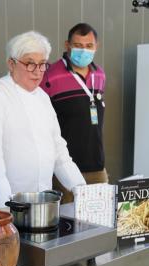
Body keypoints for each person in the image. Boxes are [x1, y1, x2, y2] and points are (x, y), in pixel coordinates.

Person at [0, 31, 86, 210]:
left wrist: (82, 190)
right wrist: (7, 206)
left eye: (42, 65)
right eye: (30, 64)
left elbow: (59, 153)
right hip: (1, 209)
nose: (38, 72)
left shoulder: (43, 98)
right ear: (11, 63)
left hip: (42, 205)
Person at [41, 23, 107, 203]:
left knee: (100, 223)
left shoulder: (99, 74)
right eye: (78, 45)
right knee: (69, 227)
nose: (83, 50)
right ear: (67, 45)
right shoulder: (49, 75)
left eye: (89, 46)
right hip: (63, 168)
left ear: (96, 47)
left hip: (96, 166)